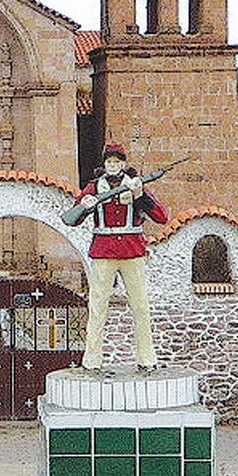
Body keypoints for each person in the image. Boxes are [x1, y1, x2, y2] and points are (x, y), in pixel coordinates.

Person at [68, 142, 168, 373]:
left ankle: (147, 358)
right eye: (110, 162)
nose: (113, 165)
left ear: (124, 164)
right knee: (98, 307)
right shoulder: (94, 187)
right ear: (104, 164)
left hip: (132, 251)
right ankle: (92, 360)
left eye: (117, 161)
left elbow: (161, 217)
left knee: (141, 306)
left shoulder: (135, 185)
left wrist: (140, 196)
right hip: (103, 252)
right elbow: (73, 219)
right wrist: (85, 205)